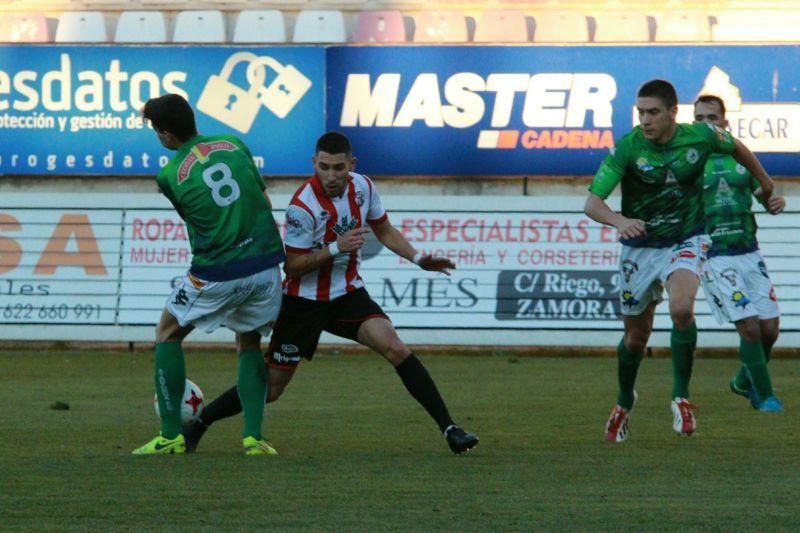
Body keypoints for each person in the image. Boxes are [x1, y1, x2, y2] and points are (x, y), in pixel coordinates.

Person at [183, 131, 479, 455]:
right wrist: (336, 247)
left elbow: (384, 229)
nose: (331, 176)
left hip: (347, 294)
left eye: (339, 168)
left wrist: (418, 258)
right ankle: (200, 422)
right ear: (314, 163)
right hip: (302, 302)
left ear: (352, 164)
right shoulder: (302, 207)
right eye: (324, 167)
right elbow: (293, 266)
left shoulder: (364, 187)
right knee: (272, 388)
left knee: (395, 347)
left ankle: (450, 429)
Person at [584, 80, 775, 442]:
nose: (645, 120)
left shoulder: (700, 137)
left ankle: (680, 397)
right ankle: (625, 401)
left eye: (653, 112)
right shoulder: (628, 148)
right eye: (641, 112)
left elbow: (738, 148)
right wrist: (620, 221)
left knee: (682, 308)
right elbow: (592, 203)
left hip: (686, 239)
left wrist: (766, 184)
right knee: (635, 338)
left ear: (673, 112)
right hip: (640, 247)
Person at [132, 94, 285, 456]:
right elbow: (264, 202)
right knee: (249, 342)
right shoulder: (234, 143)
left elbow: (196, 220)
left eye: (157, 131)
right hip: (265, 265)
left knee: (168, 332)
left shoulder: (169, 175)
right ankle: (254, 439)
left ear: (167, 135)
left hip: (218, 270)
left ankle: (170, 437)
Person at [693, 94, 784, 412]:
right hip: (714, 254)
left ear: (725, 122)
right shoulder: (690, 162)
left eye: (712, 118)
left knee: (770, 330)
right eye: (699, 119)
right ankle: (765, 396)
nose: (705, 124)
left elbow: (764, 195)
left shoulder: (742, 158)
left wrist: (773, 201)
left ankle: (744, 381)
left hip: (749, 252)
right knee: (749, 327)